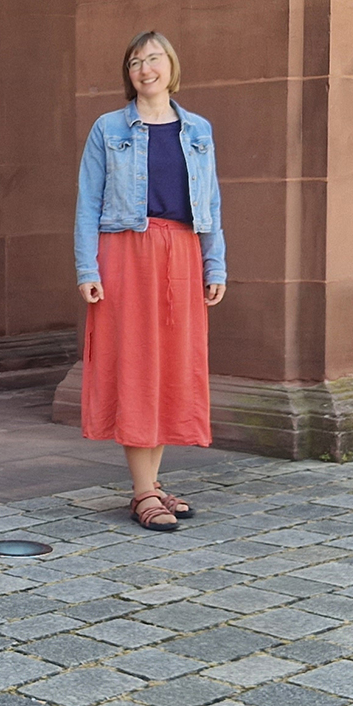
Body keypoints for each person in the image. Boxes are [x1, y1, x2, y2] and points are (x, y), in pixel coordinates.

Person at [74, 32, 226, 533]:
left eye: (153, 58)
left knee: (171, 367)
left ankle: (152, 482)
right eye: (135, 61)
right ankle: (143, 492)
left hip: (181, 254)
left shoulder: (198, 129)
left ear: (171, 66)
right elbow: (87, 202)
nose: (145, 68)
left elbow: (211, 204)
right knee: (138, 366)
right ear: (129, 73)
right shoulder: (108, 128)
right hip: (126, 254)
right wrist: (87, 269)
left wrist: (214, 265)